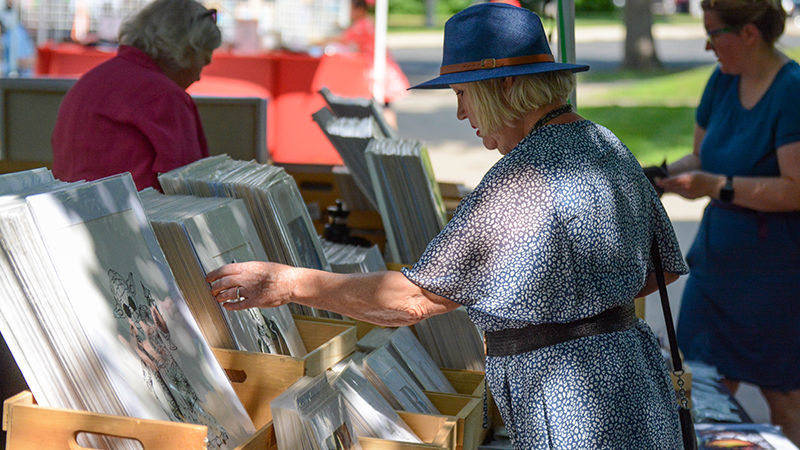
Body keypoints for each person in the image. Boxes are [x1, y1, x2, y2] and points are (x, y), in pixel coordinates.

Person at [207, 4, 688, 449]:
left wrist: (289, 283)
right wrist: (579, 304)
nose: (461, 114)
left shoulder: (521, 179)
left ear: (503, 87)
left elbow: (413, 300)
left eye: (463, 95)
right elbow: (661, 268)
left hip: (570, 405)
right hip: (634, 383)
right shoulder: (604, 144)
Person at [649, 0, 800, 444]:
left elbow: (795, 187)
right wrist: (653, 179)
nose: (708, 45)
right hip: (715, 266)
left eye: (714, 33)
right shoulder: (721, 81)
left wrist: (716, 186)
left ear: (750, 34)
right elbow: (700, 156)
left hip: (775, 275)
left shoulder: (792, 90)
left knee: (784, 397)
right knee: (700, 387)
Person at [51, 0, 222, 192]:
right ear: (187, 51)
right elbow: (189, 187)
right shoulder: (165, 96)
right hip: (133, 217)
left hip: (71, 211)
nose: (199, 76)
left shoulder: (89, 81)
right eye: (203, 62)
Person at [335, 0, 410, 130]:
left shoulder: (361, 25)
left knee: (379, 105)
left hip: (375, 70)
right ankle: (391, 136)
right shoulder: (367, 23)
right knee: (385, 106)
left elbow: (342, 39)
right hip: (382, 68)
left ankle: (388, 135)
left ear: (359, 9)